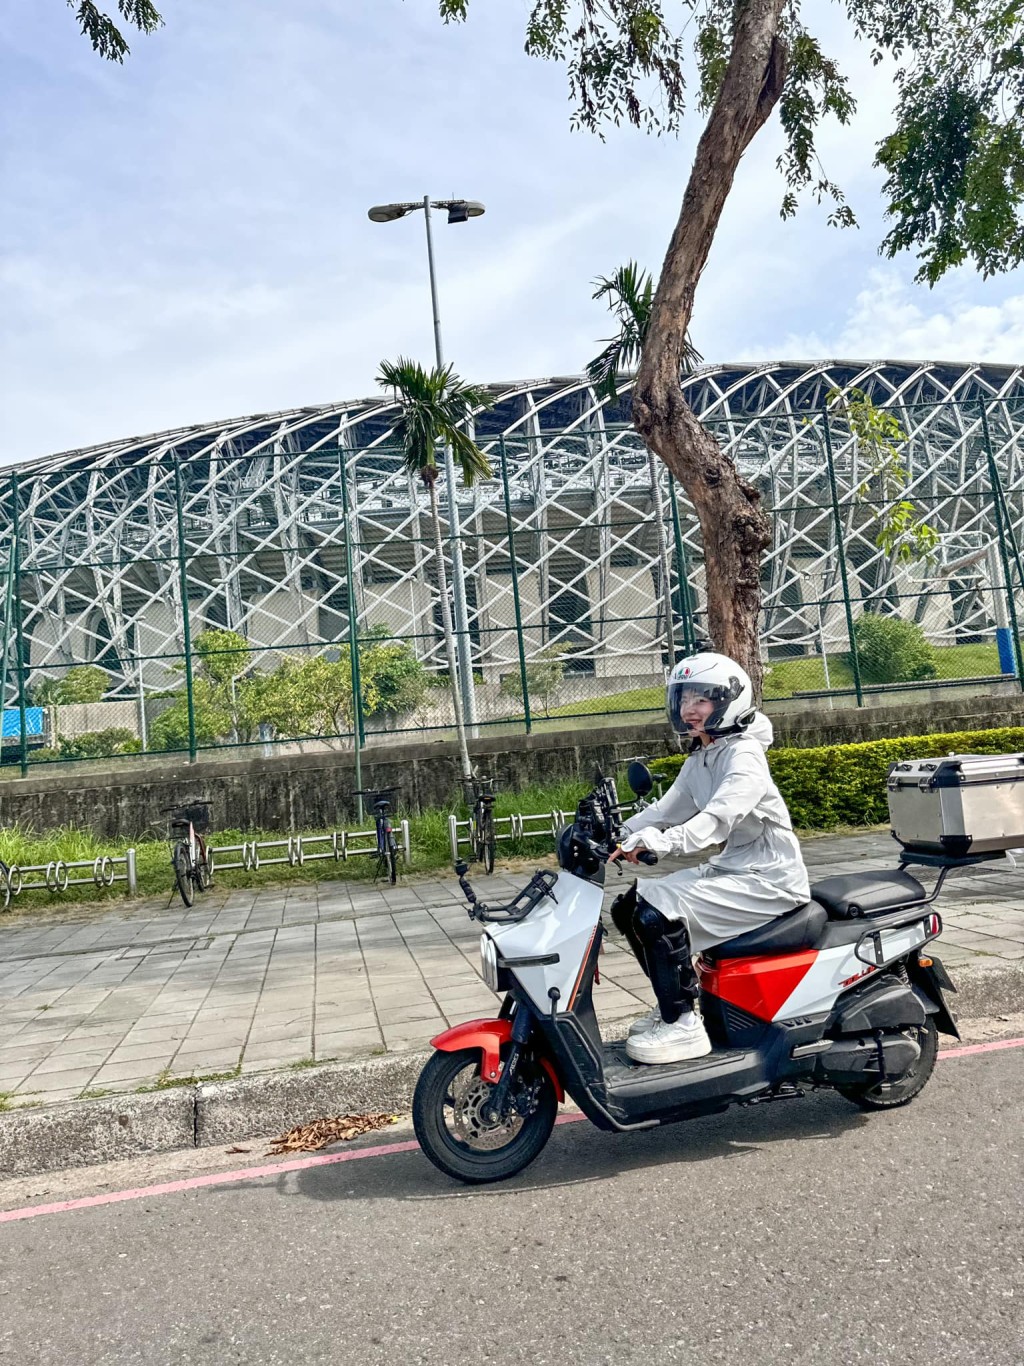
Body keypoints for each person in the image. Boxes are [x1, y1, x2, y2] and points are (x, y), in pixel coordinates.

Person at [608, 651, 810, 1065]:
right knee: (628, 906)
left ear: (727, 701)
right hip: (734, 868)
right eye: (684, 699)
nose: (688, 709)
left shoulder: (744, 756)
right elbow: (665, 811)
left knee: (655, 914)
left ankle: (683, 1026)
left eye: (701, 699)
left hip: (769, 879)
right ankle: (676, 1006)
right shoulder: (703, 755)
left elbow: (717, 820)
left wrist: (660, 844)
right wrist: (617, 833)